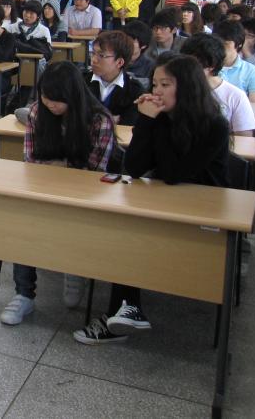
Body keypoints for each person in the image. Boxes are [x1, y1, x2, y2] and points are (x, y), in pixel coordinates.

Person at [73, 53, 229, 344]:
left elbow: (172, 174)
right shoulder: (159, 118)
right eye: (155, 84)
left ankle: (124, 309)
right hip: (165, 202)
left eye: (165, 85)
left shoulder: (214, 124)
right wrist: (146, 122)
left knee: (133, 233)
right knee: (123, 226)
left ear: (187, 88)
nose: (157, 91)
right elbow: (133, 167)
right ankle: (126, 309)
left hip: (206, 214)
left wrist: (154, 122)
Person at [1, 61, 117, 326]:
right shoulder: (37, 112)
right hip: (42, 189)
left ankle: (73, 267)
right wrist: (65, 166)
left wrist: (57, 166)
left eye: (56, 99)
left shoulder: (100, 121)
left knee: (72, 219)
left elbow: (93, 173)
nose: (49, 103)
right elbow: (30, 161)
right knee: (23, 220)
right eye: (45, 96)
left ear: (72, 95)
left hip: (85, 196)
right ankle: (24, 294)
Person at [181, 34, 255, 136]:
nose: (185, 68)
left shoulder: (236, 96)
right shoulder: (177, 90)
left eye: (191, 63)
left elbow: (245, 138)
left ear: (211, 65)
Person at [87, 31, 144, 124]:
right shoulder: (82, 80)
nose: (93, 60)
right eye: (93, 53)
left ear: (119, 62)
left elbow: (129, 122)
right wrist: (112, 119)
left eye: (101, 55)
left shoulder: (134, 90)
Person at [213, 19, 255, 103]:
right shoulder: (205, 69)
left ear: (239, 44)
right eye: (217, 43)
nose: (220, 47)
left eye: (226, 44)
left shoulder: (252, 72)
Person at [122, 21, 155, 89]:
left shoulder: (150, 67)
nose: (126, 43)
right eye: (124, 39)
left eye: (132, 41)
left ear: (143, 45)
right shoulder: (114, 61)